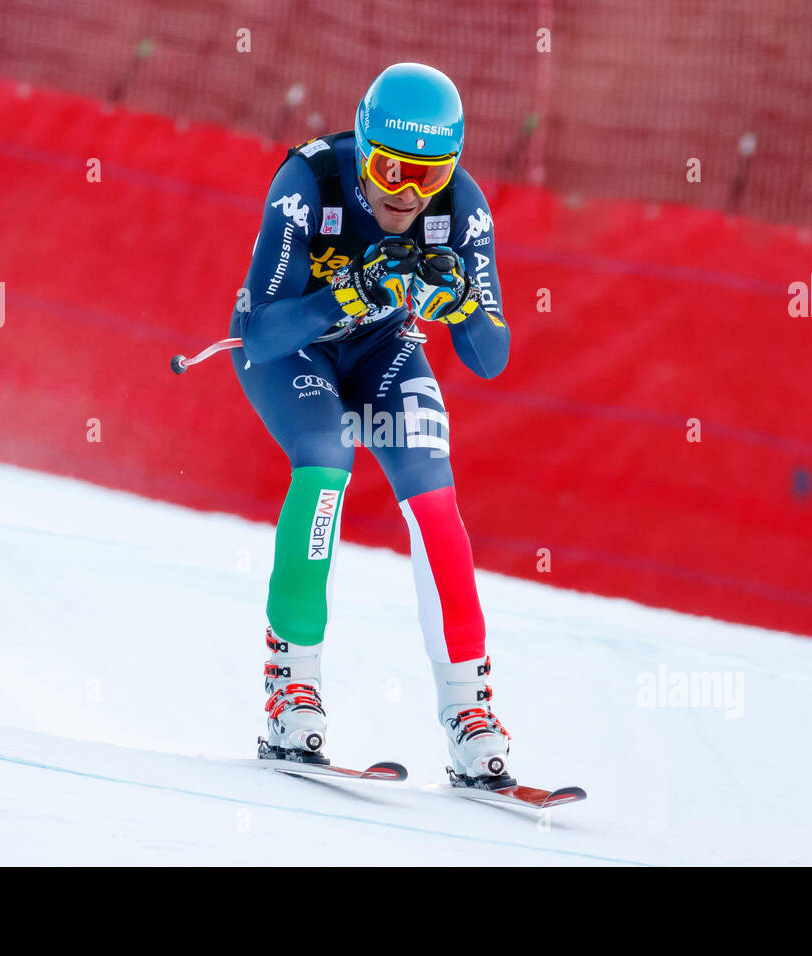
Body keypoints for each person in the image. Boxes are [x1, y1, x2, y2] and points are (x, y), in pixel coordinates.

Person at [230, 62, 514, 785]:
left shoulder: (462, 206)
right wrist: (347, 294)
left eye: (427, 175)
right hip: (295, 348)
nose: (405, 195)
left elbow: (490, 356)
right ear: (363, 145)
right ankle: (290, 686)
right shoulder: (311, 182)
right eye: (389, 171)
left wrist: (459, 310)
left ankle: (468, 708)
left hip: (384, 351)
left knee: (432, 490)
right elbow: (259, 333)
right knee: (327, 457)